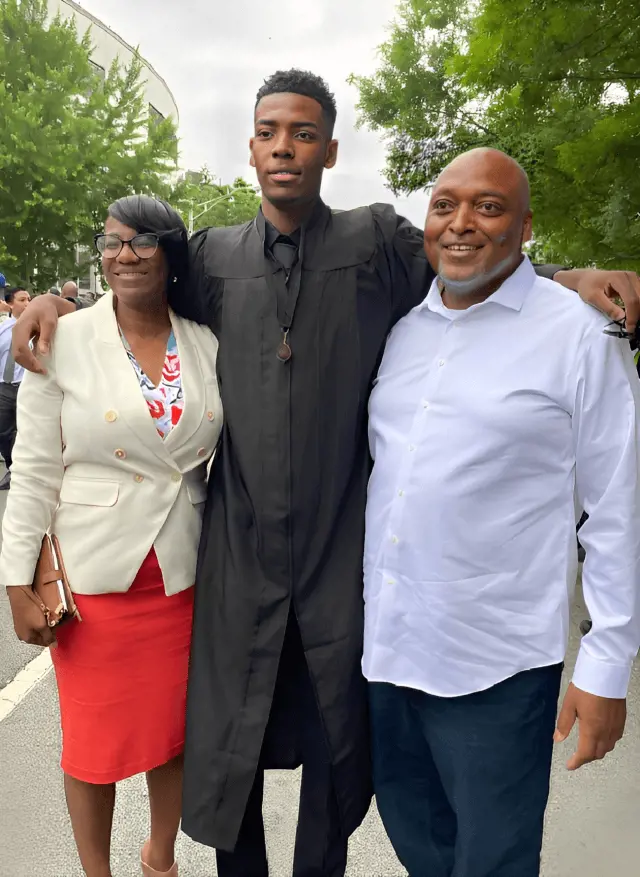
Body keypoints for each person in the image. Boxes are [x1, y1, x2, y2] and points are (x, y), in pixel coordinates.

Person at [11, 70, 640, 877]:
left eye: (304, 133)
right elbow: (139, 296)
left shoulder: (376, 242)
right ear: (251, 147)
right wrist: (58, 309)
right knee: (231, 743)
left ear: (329, 149)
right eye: (270, 131)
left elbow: (472, 264)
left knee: (337, 751)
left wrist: (566, 280)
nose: (285, 147)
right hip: (238, 556)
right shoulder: (211, 256)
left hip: (343, 559)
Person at [364, 148, 640, 877]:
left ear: (523, 227)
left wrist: (608, 665)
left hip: (495, 668)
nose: (461, 223)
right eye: (444, 204)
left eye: (487, 207)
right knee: (419, 843)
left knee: (492, 862)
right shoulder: (401, 332)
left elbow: (618, 506)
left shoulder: (579, 334)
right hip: (388, 654)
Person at [0, 195, 223, 877]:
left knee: (175, 735)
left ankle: (161, 854)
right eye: (111, 241)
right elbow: (34, 469)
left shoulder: (208, 341)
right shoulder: (63, 339)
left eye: (141, 241)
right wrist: (15, 578)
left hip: (184, 571)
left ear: (171, 252)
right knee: (93, 746)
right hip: (97, 577)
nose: (122, 255)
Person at [0, 287, 31, 488]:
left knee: (27, 432)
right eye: (22, 299)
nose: (28, 303)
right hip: (4, 387)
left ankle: (23, 473)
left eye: (29, 299)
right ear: (10, 304)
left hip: (27, 387)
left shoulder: (36, 326)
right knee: (3, 432)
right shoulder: (3, 328)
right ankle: (12, 467)